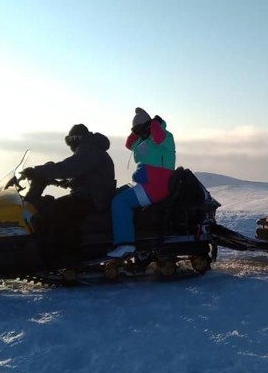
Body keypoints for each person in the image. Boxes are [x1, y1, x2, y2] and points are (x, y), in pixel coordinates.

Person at [21, 124, 115, 261]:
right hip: (91, 195)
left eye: (69, 140)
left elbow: (69, 168)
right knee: (54, 207)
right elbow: (85, 178)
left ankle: (70, 257)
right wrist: (56, 181)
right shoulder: (91, 149)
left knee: (56, 211)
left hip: (93, 199)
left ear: (76, 138)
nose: (70, 145)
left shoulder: (89, 150)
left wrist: (37, 171)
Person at [107, 108, 176, 258]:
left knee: (120, 202)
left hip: (156, 186)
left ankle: (126, 244)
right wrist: (136, 129)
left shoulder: (165, 137)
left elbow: (159, 138)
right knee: (112, 196)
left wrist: (155, 124)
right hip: (141, 183)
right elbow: (128, 144)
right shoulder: (142, 139)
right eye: (136, 131)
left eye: (140, 129)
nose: (139, 133)